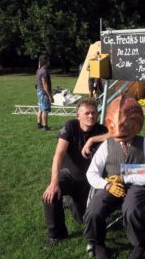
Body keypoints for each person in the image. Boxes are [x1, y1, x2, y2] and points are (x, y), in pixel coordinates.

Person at [85, 96, 145, 259]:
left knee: (131, 209)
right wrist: (106, 185)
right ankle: (98, 243)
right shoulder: (107, 145)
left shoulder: (144, 143)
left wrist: (125, 178)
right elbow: (91, 173)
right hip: (110, 185)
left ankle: (139, 245)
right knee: (94, 208)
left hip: (137, 186)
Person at [42, 99, 111, 249]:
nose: (91, 116)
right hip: (69, 175)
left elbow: (116, 134)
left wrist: (92, 139)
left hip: (90, 182)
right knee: (50, 195)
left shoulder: (101, 129)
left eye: (94, 113)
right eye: (87, 113)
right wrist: (54, 183)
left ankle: (71, 202)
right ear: (78, 115)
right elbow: (58, 155)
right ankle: (57, 234)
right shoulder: (70, 126)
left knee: (82, 219)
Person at [36, 55, 53, 131]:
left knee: (40, 108)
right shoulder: (44, 71)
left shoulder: (39, 70)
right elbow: (45, 85)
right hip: (43, 92)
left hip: (39, 91)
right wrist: (49, 96)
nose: (49, 62)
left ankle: (39, 124)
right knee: (45, 110)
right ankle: (45, 127)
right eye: (48, 60)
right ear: (45, 61)